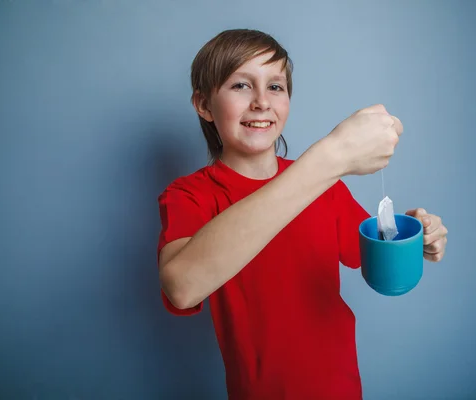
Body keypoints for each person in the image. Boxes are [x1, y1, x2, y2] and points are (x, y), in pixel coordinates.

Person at [156, 29, 448, 400]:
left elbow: (377, 261)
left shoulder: (326, 187)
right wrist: (331, 157)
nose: (262, 101)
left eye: (275, 87)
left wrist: (420, 237)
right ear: (203, 104)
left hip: (341, 388)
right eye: (241, 85)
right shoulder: (189, 196)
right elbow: (181, 288)